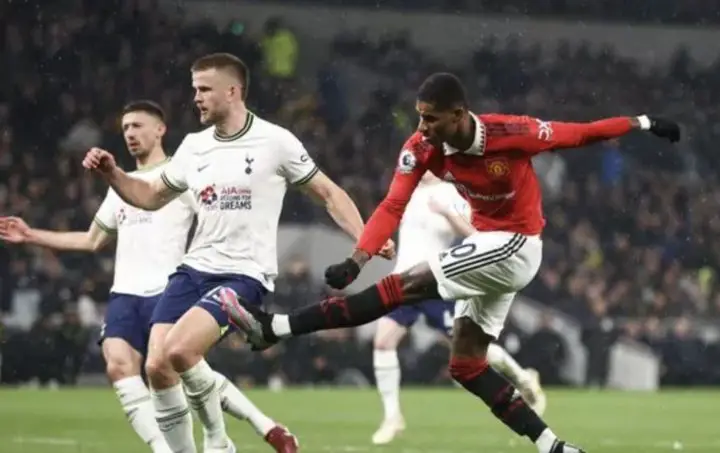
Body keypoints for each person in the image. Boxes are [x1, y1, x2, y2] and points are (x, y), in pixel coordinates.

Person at [221, 72, 681, 453]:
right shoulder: (421, 148)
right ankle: (553, 446)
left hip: (518, 243)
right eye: (420, 116)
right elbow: (392, 205)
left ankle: (275, 327)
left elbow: (580, 133)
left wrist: (642, 123)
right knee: (466, 365)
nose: (422, 127)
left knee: (400, 288)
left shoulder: (511, 132)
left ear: (459, 114)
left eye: (431, 118)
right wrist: (357, 259)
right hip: (488, 246)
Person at [81, 53, 394, 453]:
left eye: (204, 89)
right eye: (194, 89)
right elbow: (150, 195)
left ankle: (217, 440)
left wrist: (366, 239)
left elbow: (328, 194)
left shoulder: (275, 141)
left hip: (243, 274)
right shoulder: (194, 146)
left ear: (232, 91)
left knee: (180, 350)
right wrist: (113, 173)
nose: (196, 97)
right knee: (157, 366)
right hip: (193, 270)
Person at [0, 100, 295, 452]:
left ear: (160, 130)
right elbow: (92, 240)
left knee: (175, 370)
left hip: (169, 290)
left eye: (138, 126)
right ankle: (165, 448)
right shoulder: (120, 185)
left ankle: (262, 425)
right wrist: (30, 235)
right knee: (118, 366)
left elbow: (218, 212)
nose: (130, 133)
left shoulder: (181, 174)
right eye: (125, 128)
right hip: (125, 294)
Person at [371, 171, 545, 445]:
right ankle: (392, 417)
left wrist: (447, 214)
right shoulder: (407, 190)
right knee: (382, 342)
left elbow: (476, 236)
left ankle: (523, 378)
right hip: (403, 281)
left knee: (475, 351)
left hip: (435, 283)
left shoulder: (451, 193)